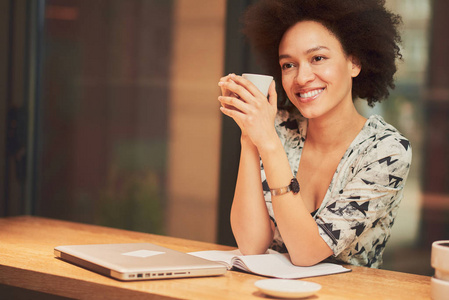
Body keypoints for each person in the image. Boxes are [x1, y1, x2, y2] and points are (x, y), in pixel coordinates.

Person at [218, 0, 412, 268]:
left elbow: (306, 252)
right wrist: (250, 138)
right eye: (289, 65)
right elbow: (251, 245)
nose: (301, 78)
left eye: (317, 58)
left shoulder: (386, 151)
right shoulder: (278, 130)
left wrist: (269, 144)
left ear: (354, 62)